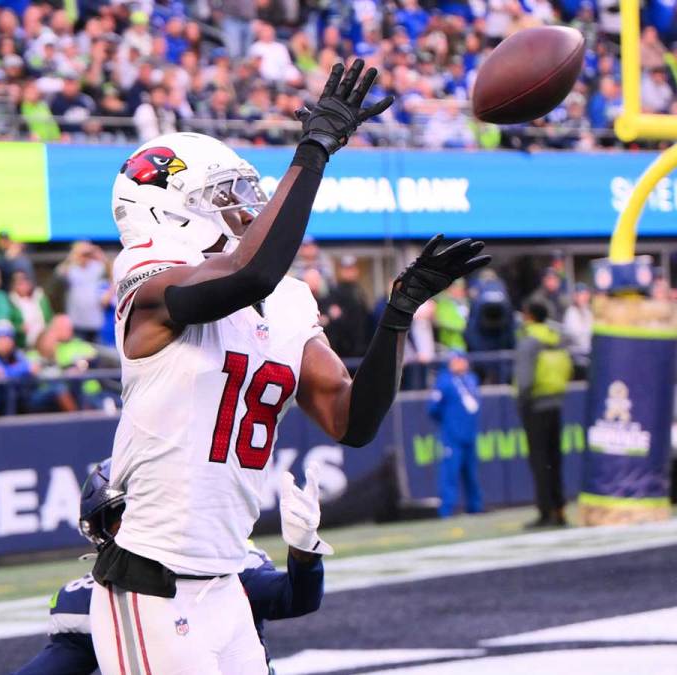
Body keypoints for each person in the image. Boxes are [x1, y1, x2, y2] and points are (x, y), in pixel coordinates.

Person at [91, 62, 483, 675]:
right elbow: (249, 273)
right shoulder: (142, 283)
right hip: (152, 584)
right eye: (221, 197)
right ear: (167, 211)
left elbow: (352, 420)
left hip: (227, 578)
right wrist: (317, 146)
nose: (242, 207)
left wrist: (398, 313)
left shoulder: (288, 298)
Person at [15, 460, 327, 674]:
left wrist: (303, 551)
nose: (138, 529)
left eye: (146, 515)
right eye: (124, 519)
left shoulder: (223, 567)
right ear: (100, 530)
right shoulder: (90, 600)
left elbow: (296, 598)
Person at [514, 301, 572, 529]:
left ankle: (545, 512)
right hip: (555, 402)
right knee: (554, 460)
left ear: (528, 316)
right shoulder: (555, 337)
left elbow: (525, 379)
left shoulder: (529, 341)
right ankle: (559, 510)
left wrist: (521, 400)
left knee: (539, 461)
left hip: (535, 405)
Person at [428, 351, 483, 518]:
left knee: (472, 473)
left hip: (469, 433)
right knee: (449, 473)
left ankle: (475, 507)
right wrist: (448, 424)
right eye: (457, 360)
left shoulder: (471, 379)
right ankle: (446, 510)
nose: (461, 363)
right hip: (452, 435)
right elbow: (433, 408)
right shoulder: (444, 381)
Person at [55, 241, 106, 343]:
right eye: (83, 254)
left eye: (86, 254)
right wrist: (74, 254)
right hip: (77, 320)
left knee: (96, 354)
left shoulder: (96, 267)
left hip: (94, 320)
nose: (84, 257)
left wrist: (95, 251)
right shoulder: (72, 268)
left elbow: (109, 267)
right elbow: (58, 272)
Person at [322, 255, 373, 358]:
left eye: (351, 269)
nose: (349, 272)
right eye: (346, 269)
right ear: (340, 271)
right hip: (343, 351)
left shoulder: (360, 292)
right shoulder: (334, 292)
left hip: (361, 348)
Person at [9, 270, 52, 349]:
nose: (23, 286)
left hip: (43, 340)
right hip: (24, 344)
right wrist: (19, 329)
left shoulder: (40, 298)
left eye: (25, 282)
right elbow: (9, 324)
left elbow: (49, 318)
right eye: (19, 284)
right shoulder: (10, 303)